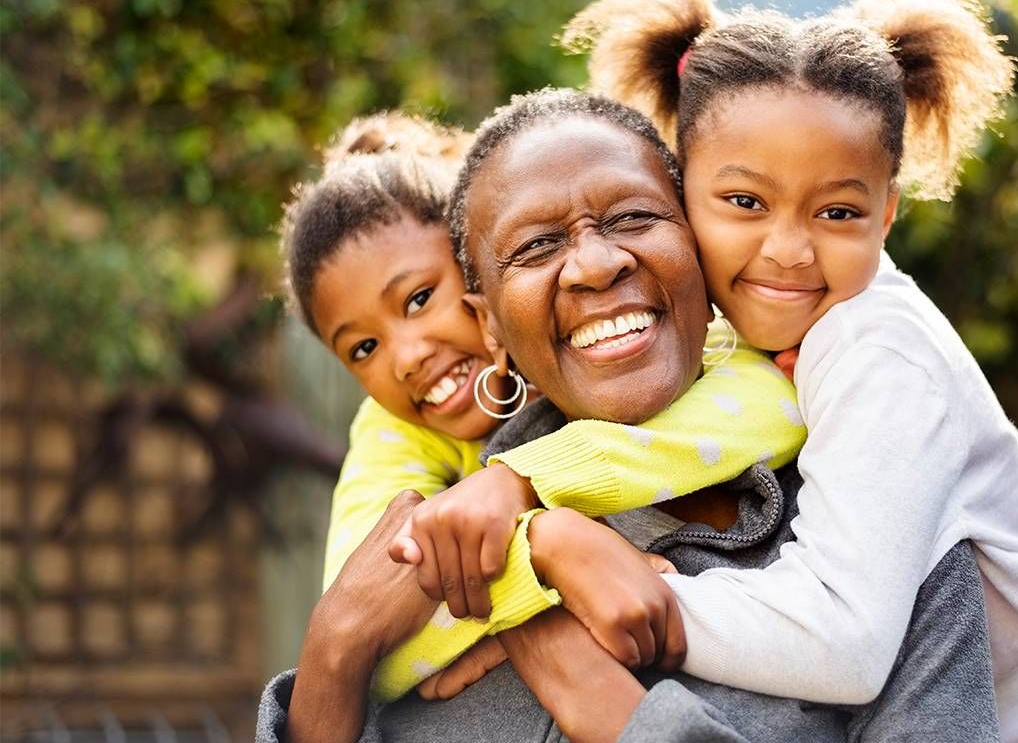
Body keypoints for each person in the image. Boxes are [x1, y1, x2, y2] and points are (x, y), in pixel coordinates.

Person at [554, 0, 1018, 743]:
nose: (787, 249)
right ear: (680, 190)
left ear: (886, 216)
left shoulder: (875, 350)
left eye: (838, 211)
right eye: (745, 202)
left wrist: (656, 598)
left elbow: (846, 643)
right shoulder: (725, 334)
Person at [257, 88, 1000, 743]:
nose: (594, 263)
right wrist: (337, 649)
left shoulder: (880, 536)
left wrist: (611, 709)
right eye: (537, 245)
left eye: (635, 217)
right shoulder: (446, 555)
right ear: (489, 325)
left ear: (702, 248)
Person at [278, 110, 807, 702]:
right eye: (363, 347)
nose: (405, 356)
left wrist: (527, 484)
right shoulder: (392, 431)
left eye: (422, 297)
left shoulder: (672, 333)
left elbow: (775, 404)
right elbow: (363, 611)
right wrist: (540, 568)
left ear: (479, 269)